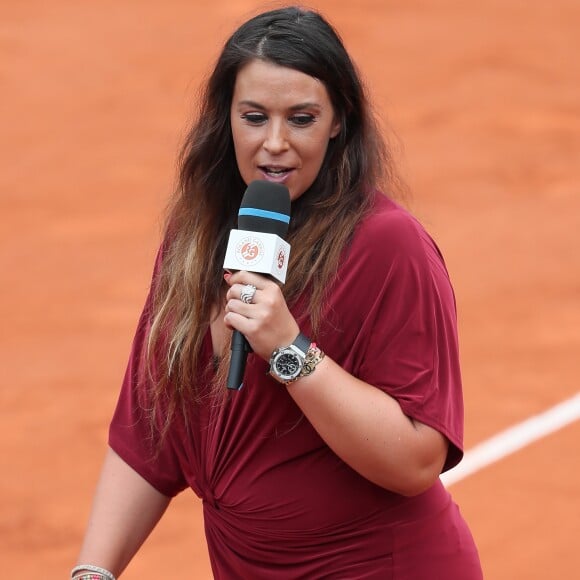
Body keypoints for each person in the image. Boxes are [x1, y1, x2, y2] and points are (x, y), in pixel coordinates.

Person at [73, 6, 483, 579]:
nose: (275, 144)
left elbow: (418, 460)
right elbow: (149, 431)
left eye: (302, 118)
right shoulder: (194, 239)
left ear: (339, 120)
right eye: (255, 116)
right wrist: (93, 571)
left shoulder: (390, 246)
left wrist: (289, 350)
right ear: (227, 118)